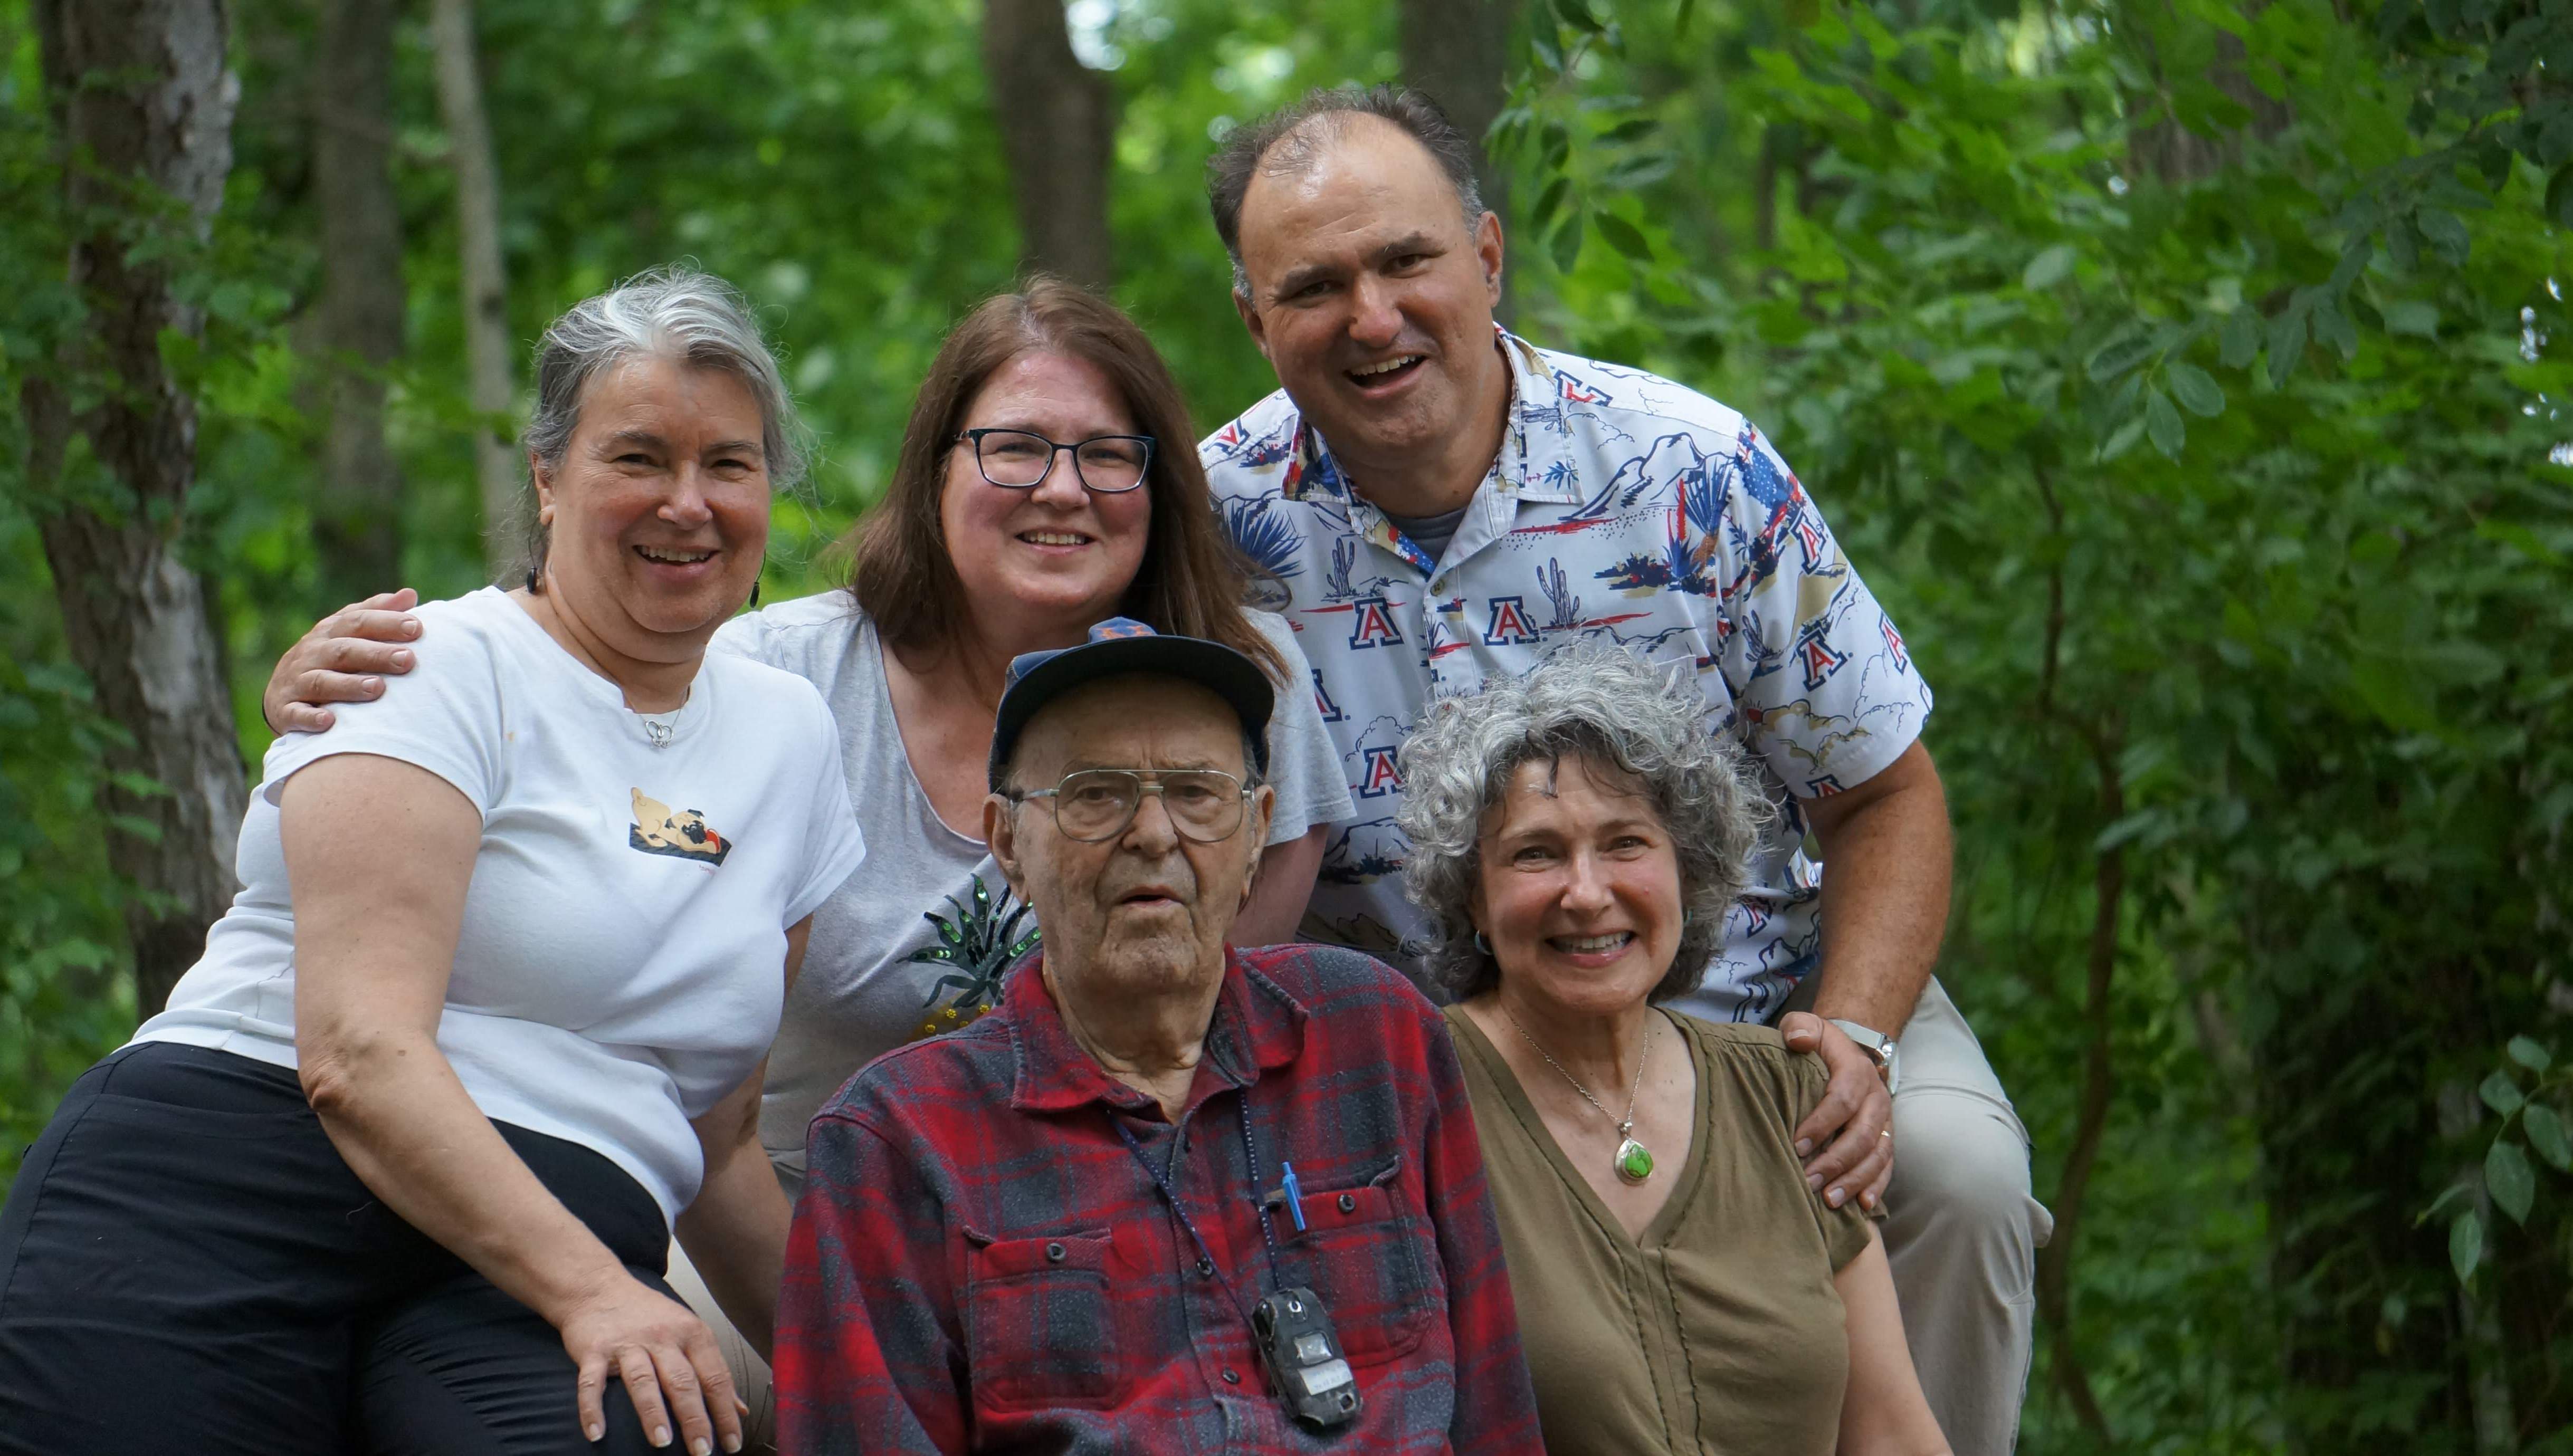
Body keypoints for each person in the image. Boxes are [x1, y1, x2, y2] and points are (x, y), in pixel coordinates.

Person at [252, 277, 1354, 1440]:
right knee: (660, 1408)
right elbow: (556, 741)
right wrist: (368, 682)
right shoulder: (776, 681)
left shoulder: (1245, 687)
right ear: (936, 470)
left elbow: (1206, 1054)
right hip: (781, 1231)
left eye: (1107, 454)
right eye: (1015, 448)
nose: (1063, 489)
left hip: (1111, 1238)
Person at [1199, 84, 2049, 1451]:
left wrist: (1858, 1041)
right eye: (1314, 286)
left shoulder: (1688, 470)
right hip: (1446, 1068)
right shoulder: (1215, 538)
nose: (1370, 317)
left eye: (1405, 260)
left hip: (1771, 1003)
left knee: (1952, 1173)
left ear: (1483, 256)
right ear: (1254, 319)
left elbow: (1887, 789)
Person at [0, 268, 865, 1456]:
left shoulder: (793, 737)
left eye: (729, 463)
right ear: (547, 477)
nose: (687, 501)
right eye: (637, 459)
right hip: (232, 1186)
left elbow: (715, 1141)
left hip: (532, 1266)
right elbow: (357, 1053)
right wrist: (597, 1292)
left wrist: (883, 1403)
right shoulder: (430, 663)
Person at [772, 618, 1542, 1454]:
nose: (1152, 833)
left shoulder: (1374, 1032)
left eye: (1197, 792)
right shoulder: (895, 1141)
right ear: (1008, 845)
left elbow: (1496, 1404)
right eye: (1095, 794)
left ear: (1257, 834)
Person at [1396, 641, 1951, 1454]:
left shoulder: (1787, 1095)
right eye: (1536, 853)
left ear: (1687, 880)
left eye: (1626, 844)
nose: (1586, 894)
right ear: (1473, 897)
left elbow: (1893, 1433)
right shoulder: (1416, 1098)